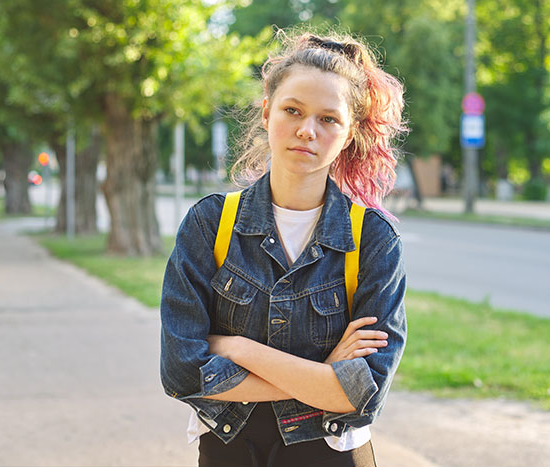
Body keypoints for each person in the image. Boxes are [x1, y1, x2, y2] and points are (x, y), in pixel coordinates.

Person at [160, 29, 407, 467]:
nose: (307, 130)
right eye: (293, 110)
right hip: (229, 451)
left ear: (349, 134)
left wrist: (236, 348)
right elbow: (181, 372)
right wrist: (324, 375)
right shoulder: (210, 224)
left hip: (332, 454)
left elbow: (362, 396)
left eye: (329, 119)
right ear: (267, 111)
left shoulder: (372, 240)